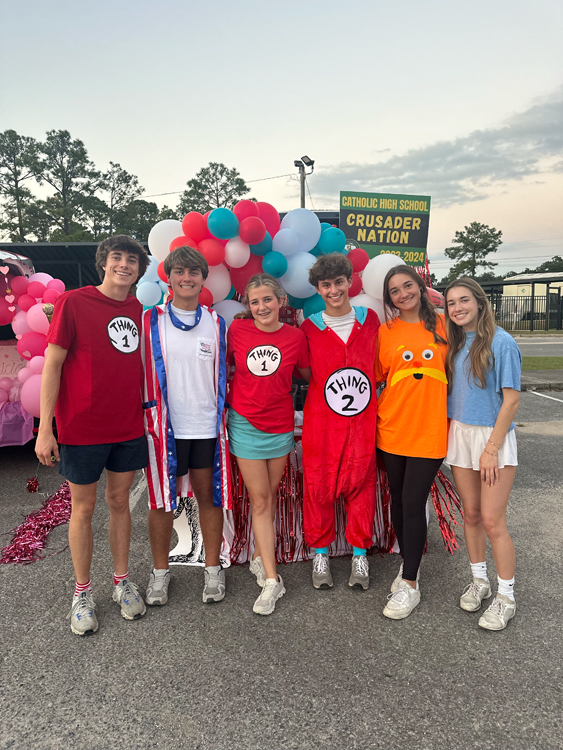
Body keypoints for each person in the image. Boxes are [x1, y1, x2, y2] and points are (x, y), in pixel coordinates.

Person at [36, 235, 150, 636]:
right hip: (82, 427)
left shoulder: (139, 309)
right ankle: (81, 593)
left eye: (132, 259)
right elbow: (52, 365)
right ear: (104, 262)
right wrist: (45, 428)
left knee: (120, 502)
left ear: (139, 269)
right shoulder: (74, 302)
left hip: (127, 426)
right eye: (117, 257)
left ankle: (121, 582)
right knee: (82, 510)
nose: (124, 264)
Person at [141, 246, 230, 607]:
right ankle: (160, 573)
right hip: (164, 427)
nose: (186, 278)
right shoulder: (150, 320)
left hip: (206, 426)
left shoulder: (216, 322)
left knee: (209, 498)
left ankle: (212, 569)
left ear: (203, 278)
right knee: (162, 502)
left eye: (194, 272)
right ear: (168, 277)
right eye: (179, 271)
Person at [227, 273, 310, 615]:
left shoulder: (295, 337)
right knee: (260, 498)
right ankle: (273, 580)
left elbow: (309, 376)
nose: (262, 306)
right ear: (248, 306)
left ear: (281, 302)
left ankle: (260, 556)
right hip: (245, 425)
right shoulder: (237, 331)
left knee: (269, 496)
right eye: (255, 301)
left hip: (280, 427)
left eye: (267, 300)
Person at [444, 278, 521, 630]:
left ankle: (506, 596)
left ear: (479, 302)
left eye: (463, 300)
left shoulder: (501, 342)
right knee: (471, 515)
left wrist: (491, 449)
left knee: (493, 520)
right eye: (451, 303)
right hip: (460, 434)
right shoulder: (456, 343)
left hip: (493, 439)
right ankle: (479, 580)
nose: (457, 307)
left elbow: (512, 400)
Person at [301, 254, 380, 591]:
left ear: (350, 281)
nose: (334, 290)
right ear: (318, 289)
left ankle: (360, 554)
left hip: (362, 420)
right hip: (322, 421)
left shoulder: (371, 320)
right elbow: (306, 373)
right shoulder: (309, 327)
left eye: (338, 282)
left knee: (362, 481)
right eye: (326, 284)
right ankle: (320, 553)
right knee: (319, 485)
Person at [375, 265, 447, 619]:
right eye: (394, 291)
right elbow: (375, 378)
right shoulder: (384, 331)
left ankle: (410, 584)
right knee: (399, 503)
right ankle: (408, 567)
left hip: (430, 431)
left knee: (413, 501)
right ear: (388, 298)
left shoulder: (446, 325)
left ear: (420, 286)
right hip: (391, 429)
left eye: (407, 286)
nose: (402, 294)